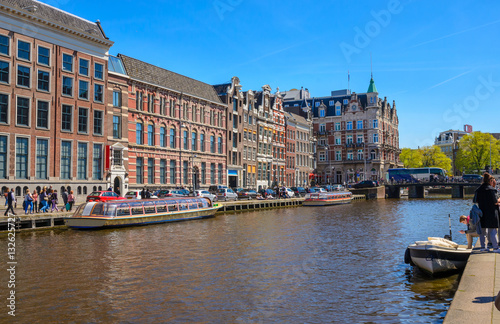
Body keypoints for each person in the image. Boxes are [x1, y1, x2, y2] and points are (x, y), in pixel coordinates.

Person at [473, 173, 500, 253]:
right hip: (491, 212)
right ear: (490, 181)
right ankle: (495, 248)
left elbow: (475, 200)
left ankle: (483, 247)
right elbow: (495, 201)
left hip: (481, 212)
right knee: (492, 230)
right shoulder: (492, 190)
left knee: (482, 231)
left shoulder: (478, 190)